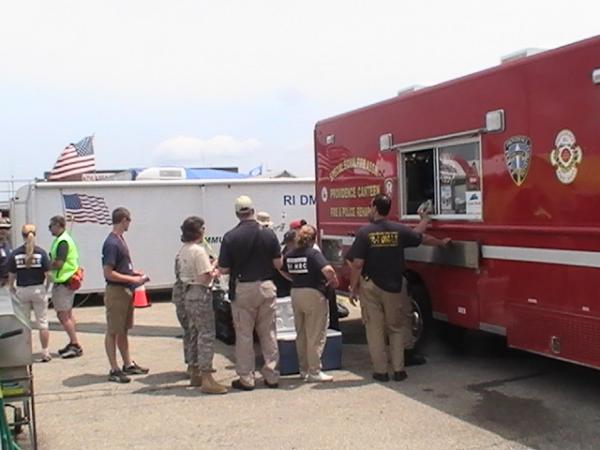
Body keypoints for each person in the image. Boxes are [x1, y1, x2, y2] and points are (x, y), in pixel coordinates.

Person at [347, 194, 450, 382]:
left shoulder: (364, 233)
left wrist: (353, 287)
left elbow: (357, 264)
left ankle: (381, 372)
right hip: (395, 285)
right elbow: (421, 237)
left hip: (371, 286)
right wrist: (440, 242)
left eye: (371, 206)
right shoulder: (398, 230)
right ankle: (399, 370)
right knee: (397, 327)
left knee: (375, 329)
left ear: (375, 209)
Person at [217, 195, 282, 391]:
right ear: (253, 210)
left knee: (244, 335)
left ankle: (247, 378)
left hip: (243, 287)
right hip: (266, 285)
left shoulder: (230, 237)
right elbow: (278, 263)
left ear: (237, 213)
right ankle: (271, 375)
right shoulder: (269, 234)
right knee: (269, 333)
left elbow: (224, 269)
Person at [173, 216, 227, 394]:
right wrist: (215, 269)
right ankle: (207, 376)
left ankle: (194, 369)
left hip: (188, 293)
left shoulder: (183, 250)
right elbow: (205, 277)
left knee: (194, 332)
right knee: (207, 334)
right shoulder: (199, 251)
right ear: (198, 231)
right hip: (200, 292)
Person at [282, 224, 338, 382]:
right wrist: (333, 281)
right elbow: (328, 270)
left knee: (301, 334)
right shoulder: (313, 253)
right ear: (314, 239)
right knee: (315, 334)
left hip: (296, 293)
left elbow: (281, 267)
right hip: (313, 293)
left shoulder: (290, 254)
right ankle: (315, 371)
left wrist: (293, 278)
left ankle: (303, 369)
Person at [101, 207, 149, 383]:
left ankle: (127, 364)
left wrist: (134, 273)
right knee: (113, 330)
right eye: (129, 220)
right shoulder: (112, 243)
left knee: (123, 330)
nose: (130, 223)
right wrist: (132, 279)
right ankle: (114, 368)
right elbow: (108, 272)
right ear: (123, 220)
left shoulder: (120, 240)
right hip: (116, 291)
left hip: (126, 290)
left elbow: (121, 267)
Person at [7, 224, 52, 362]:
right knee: (43, 323)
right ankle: (45, 352)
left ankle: (26, 353)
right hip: (38, 289)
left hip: (22, 290)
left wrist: (11, 288)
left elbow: (12, 275)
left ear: (22, 235)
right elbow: (49, 275)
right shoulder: (41, 253)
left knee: (24, 323)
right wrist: (46, 287)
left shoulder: (15, 254)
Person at [48, 215, 83, 358]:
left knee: (63, 315)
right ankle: (72, 341)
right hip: (67, 282)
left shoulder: (63, 242)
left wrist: (45, 265)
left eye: (51, 226)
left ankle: (75, 344)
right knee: (67, 314)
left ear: (58, 225)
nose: (49, 229)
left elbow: (59, 263)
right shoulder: (63, 240)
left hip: (64, 282)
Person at [0, 217, 12, 287]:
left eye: (6, 228)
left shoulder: (7, 245)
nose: (3, 231)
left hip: (7, 283)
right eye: (1, 228)